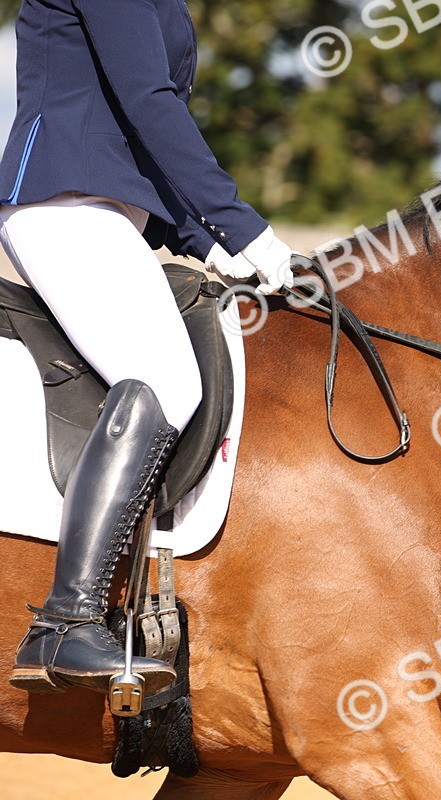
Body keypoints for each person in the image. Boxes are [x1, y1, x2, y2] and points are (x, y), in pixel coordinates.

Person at [0, 0, 294, 697]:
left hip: (107, 213)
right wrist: (241, 226)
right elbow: (148, 102)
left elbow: (137, 142)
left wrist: (209, 244)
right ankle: (67, 622)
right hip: (62, 206)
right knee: (166, 376)